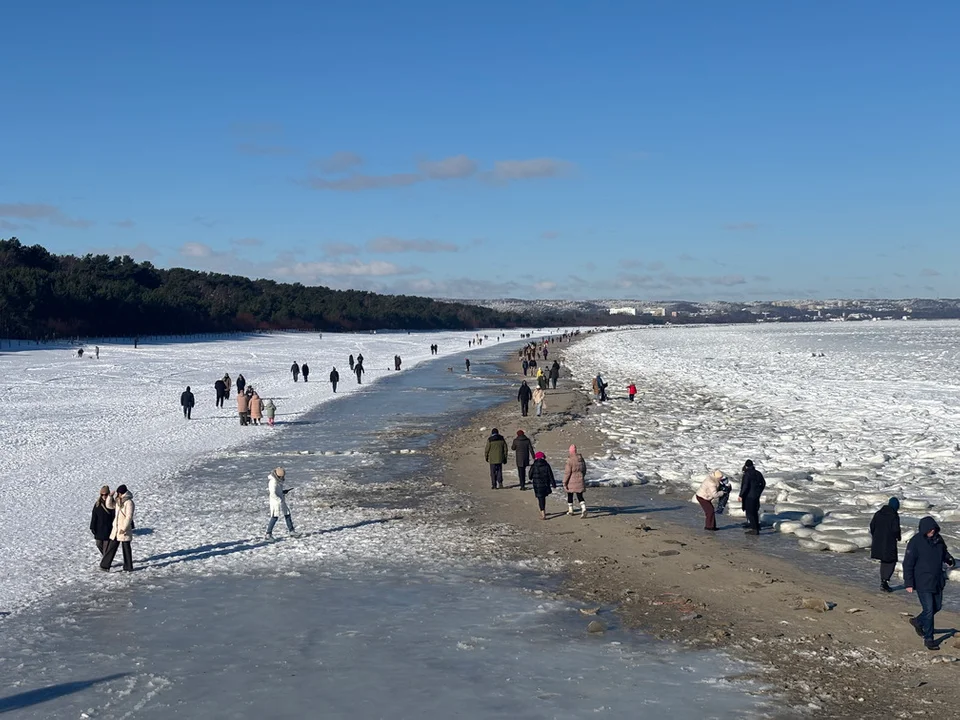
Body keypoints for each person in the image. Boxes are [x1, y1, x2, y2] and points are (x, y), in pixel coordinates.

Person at [904, 516, 956, 650]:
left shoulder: (938, 540)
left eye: (933, 529)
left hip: (937, 580)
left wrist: (950, 560)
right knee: (928, 610)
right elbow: (908, 563)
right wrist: (909, 582)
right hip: (922, 581)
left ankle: (917, 621)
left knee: (936, 607)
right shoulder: (915, 542)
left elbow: (944, 553)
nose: (932, 531)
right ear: (924, 529)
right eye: (929, 529)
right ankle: (929, 638)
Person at [99, 485, 134, 572]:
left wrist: (124, 528)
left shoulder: (129, 502)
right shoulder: (118, 501)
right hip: (117, 528)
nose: (117, 495)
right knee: (112, 546)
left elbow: (129, 517)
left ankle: (128, 567)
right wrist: (110, 497)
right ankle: (104, 565)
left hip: (124, 529)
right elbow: (109, 506)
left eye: (119, 493)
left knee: (126, 548)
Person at [870, 497, 902, 592]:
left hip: (878, 542)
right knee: (891, 561)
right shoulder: (894, 515)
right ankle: (885, 581)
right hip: (889, 542)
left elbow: (872, 526)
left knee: (884, 561)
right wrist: (898, 536)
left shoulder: (878, 513)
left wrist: (875, 536)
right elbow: (895, 529)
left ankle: (883, 581)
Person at [266, 467, 298, 539]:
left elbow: (278, 491)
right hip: (275, 502)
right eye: (281, 476)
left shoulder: (278, 481)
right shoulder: (273, 482)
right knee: (274, 517)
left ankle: (291, 531)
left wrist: (283, 492)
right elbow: (272, 494)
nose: (282, 477)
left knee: (287, 514)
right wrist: (279, 499)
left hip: (281, 500)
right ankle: (268, 534)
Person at [738, 459, 765, 535]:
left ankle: (754, 529)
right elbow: (763, 483)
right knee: (754, 511)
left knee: (750, 512)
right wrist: (759, 492)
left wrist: (741, 495)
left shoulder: (747, 474)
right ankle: (756, 525)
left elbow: (745, 485)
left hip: (749, 496)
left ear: (746, 466)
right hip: (756, 496)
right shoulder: (758, 473)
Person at [529, 452, 557, 520]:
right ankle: (543, 512)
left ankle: (543, 513)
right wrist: (553, 484)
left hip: (537, 485)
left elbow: (530, 476)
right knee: (543, 498)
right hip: (545, 484)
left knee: (540, 498)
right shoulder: (546, 465)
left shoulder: (534, 465)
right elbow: (550, 475)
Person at [89, 485, 115, 556]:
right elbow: (94, 516)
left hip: (108, 529)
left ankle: (105, 561)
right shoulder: (97, 504)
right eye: (102, 494)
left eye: (106, 494)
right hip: (99, 529)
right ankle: (106, 559)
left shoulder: (112, 503)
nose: (104, 496)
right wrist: (92, 527)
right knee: (98, 544)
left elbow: (115, 516)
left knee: (106, 548)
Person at [563, 445, 588, 518]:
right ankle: (584, 508)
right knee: (580, 495)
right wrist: (582, 476)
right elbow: (584, 469)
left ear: (570, 451)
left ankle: (571, 510)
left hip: (571, 480)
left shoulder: (570, 460)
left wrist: (565, 482)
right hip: (580, 479)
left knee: (570, 494)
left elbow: (567, 472)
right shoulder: (581, 459)